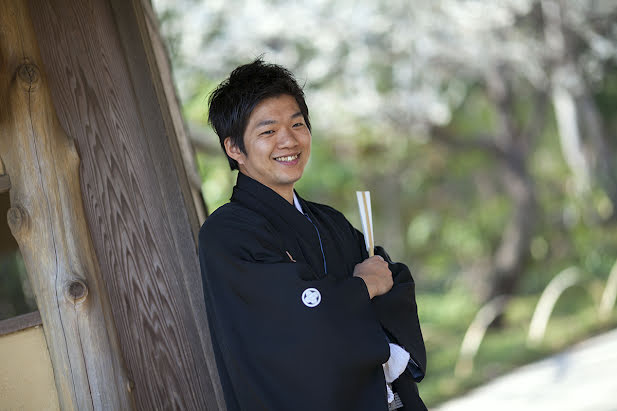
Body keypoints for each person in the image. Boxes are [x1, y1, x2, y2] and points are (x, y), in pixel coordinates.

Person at [198, 58, 426, 411]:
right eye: (268, 131)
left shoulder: (329, 221)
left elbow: (393, 282)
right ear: (234, 148)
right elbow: (291, 323)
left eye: (297, 124)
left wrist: (364, 291)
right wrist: (361, 288)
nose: (288, 140)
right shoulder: (226, 234)